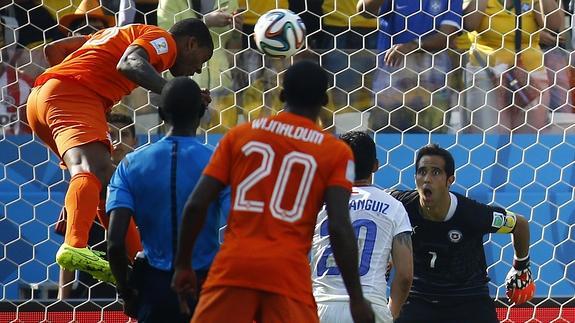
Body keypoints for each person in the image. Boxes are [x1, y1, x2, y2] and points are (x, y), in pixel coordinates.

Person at [171, 61, 375, 323]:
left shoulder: (240, 136)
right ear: (325, 99)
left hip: (235, 268)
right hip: (287, 274)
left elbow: (196, 205)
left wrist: (183, 264)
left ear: (281, 95)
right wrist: (356, 299)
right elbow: (338, 225)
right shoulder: (334, 152)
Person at [26, 17, 214, 283]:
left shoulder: (113, 34)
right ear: (191, 43)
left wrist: (75, 84)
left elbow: (54, 50)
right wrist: (175, 92)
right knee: (94, 169)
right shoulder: (166, 42)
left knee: (109, 182)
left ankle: (138, 260)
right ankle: (75, 246)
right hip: (70, 96)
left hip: (43, 99)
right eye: (201, 60)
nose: (197, 70)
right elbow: (130, 63)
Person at [106, 77, 229, 321]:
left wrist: (126, 292)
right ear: (201, 112)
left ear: (161, 113)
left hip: (154, 287)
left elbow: (115, 243)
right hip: (203, 284)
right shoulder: (218, 163)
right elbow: (239, 227)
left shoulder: (130, 165)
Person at [390, 144, 534, 323]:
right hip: (419, 299)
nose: (427, 179)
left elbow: (519, 224)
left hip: (469, 299)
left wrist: (521, 267)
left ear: (450, 180)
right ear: (415, 177)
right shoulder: (399, 205)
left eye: (435, 172)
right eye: (422, 172)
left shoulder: (473, 214)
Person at [311, 131, 413, 322]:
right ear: (376, 166)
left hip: (320, 308)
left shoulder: (319, 204)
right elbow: (405, 274)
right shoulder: (393, 207)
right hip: (369, 307)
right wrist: (392, 311)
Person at [56, 113, 138, 299]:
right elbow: (68, 247)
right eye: (111, 134)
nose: (117, 142)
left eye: (124, 135)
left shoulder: (142, 186)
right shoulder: (85, 187)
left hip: (135, 290)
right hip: (91, 295)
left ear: (135, 140)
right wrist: (62, 300)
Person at [357, 0, 462, 133]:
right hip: (391, 74)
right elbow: (364, 11)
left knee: (432, 136)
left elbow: (447, 36)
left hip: (431, 77)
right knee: (384, 133)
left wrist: (413, 45)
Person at [463, 0, 562, 133]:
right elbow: (469, 23)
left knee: (529, 141)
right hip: (486, 74)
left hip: (529, 76)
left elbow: (553, 26)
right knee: (488, 138)